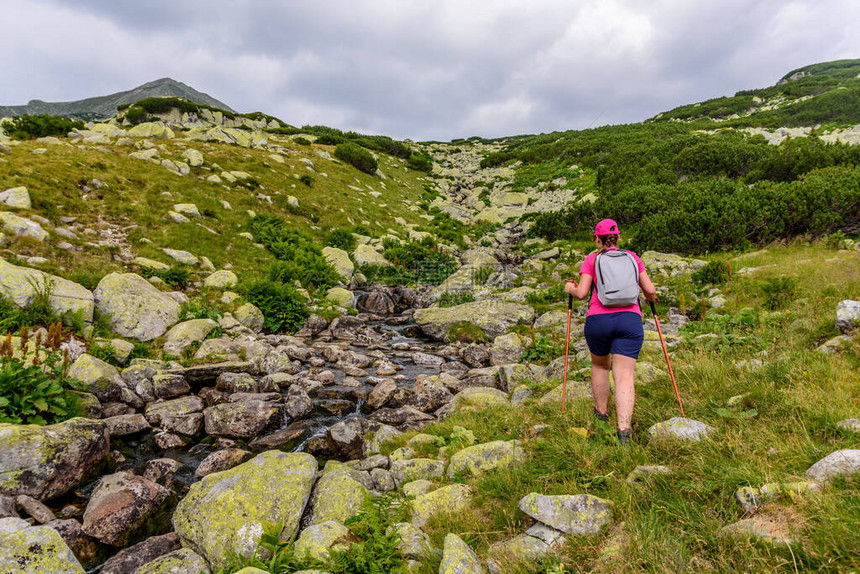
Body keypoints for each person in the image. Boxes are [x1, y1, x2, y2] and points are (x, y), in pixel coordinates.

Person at [564, 219, 657, 444]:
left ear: (597, 239)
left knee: (599, 366)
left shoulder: (592, 259)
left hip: (599, 320)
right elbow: (650, 290)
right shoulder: (632, 257)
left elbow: (582, 293)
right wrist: (651, 298)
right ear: (617, 237)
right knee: (624, 376)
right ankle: (624, 431)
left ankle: (601, 417)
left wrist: (570, 288)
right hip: (629, 320)